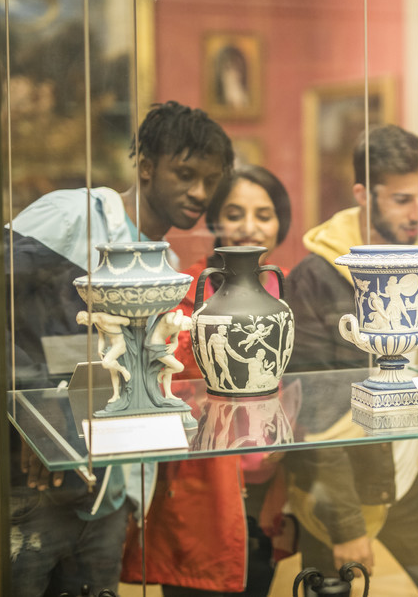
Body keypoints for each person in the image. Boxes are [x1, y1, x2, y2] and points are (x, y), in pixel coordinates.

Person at [7, 101, 234, 596]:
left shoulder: (166, 262)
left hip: (109, 495)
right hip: (39, 484)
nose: (198, 192)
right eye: (185, 173)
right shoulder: (74, 215)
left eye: (209, 180)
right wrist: (31, 415)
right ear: (147, 166)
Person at [283, 124, 418, 596]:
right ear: (364, 194)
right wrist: (345, 523)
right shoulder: (316, 277)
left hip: (406, 475)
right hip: (338, 487)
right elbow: (312, 411)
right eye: (403, 199)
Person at [120, 164, 298, 596]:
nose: (249, 227)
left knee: (257, 579)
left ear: (281, 223)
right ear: (216, 220)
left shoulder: (291, 290)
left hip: (269, 485)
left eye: (264, 214)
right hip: (204, 489)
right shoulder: (184, 292)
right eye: (235, 214)